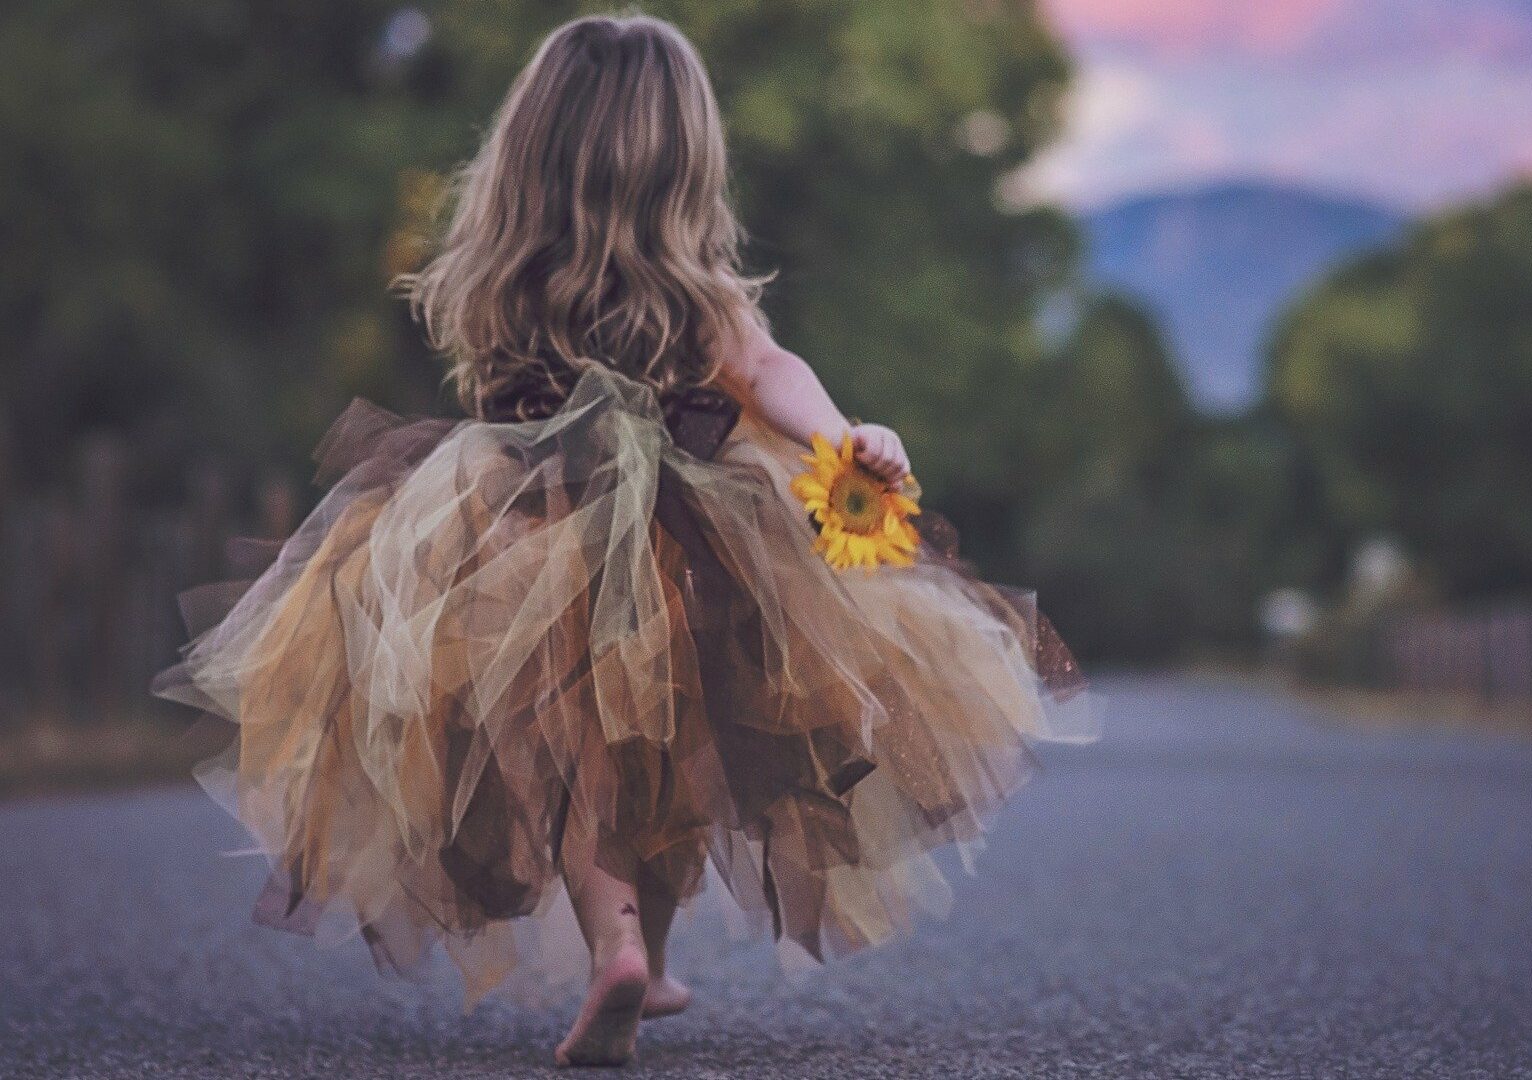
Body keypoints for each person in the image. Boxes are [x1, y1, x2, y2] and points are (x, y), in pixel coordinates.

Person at [154, 13, 1091, 1068]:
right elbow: (772, 375)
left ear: (527, 153)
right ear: (684, 162)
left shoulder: (501, 279)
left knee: (569, 757)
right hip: (692, 544)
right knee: (673, 758)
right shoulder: (693, 294)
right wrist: (844, 436)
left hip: (510, 533)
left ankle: (622, 951)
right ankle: (640, 951)